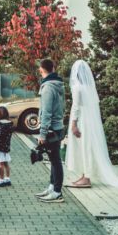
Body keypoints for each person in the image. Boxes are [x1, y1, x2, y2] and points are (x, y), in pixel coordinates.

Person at [65, 60, 118, 189]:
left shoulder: (77, 88)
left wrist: (74, 124)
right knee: (86, 147)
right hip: (88, 121)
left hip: (81, 120)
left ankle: (86, 178)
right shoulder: (89, 88)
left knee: (83, 147)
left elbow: (76, 106)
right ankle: (84, 175)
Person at [34, 59, 67, 203]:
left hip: (51, 129)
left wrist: (42, 133)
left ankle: (57, 192)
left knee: (55, 161)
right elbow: (63, 106)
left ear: (42, 69)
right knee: (54, 160)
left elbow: (46, 112)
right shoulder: (59, 84)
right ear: (53, 68)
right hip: (58, 126)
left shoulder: (48, 87)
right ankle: (52, 187)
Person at [0, 106, 14, 187]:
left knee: (0, 164)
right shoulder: (9, 124)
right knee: (6, 163)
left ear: (1, 114)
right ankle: (7, 179)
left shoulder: (0, 125)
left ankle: (1, 180)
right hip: (6, 148)